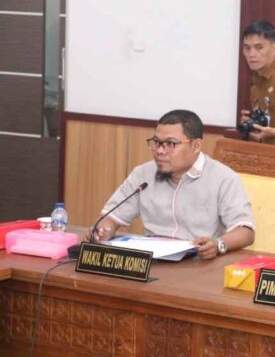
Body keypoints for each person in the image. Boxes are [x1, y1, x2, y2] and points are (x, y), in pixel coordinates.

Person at [91, 109, 255, 260]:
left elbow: (245, 231)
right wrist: (102, 231)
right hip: (153, 263)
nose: (160, 151)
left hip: (200, 264)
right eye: (156, 142)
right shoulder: (143, 174)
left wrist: (218, 244)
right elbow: (111, 218)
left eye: (170, 144)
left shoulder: (223, 178)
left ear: (196, 145)